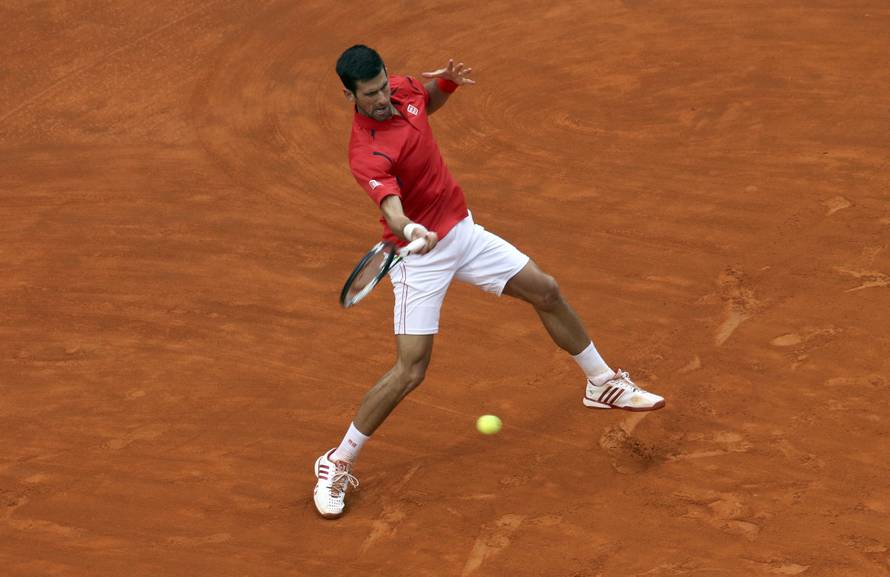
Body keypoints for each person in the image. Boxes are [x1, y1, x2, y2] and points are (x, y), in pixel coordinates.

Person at [313, 45, 665, 519]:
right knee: (410, 370)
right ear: (349, 95)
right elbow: (391, 208)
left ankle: (601, 384)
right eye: (370, 95)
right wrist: (410, 229)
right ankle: (337, 462)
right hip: (420, 256)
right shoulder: (367, 150)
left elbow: (425, 103)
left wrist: (448, 85)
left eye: (382, 86)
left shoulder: (403, 89)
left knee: (546, 290)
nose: (382, 100)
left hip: (462, 231)